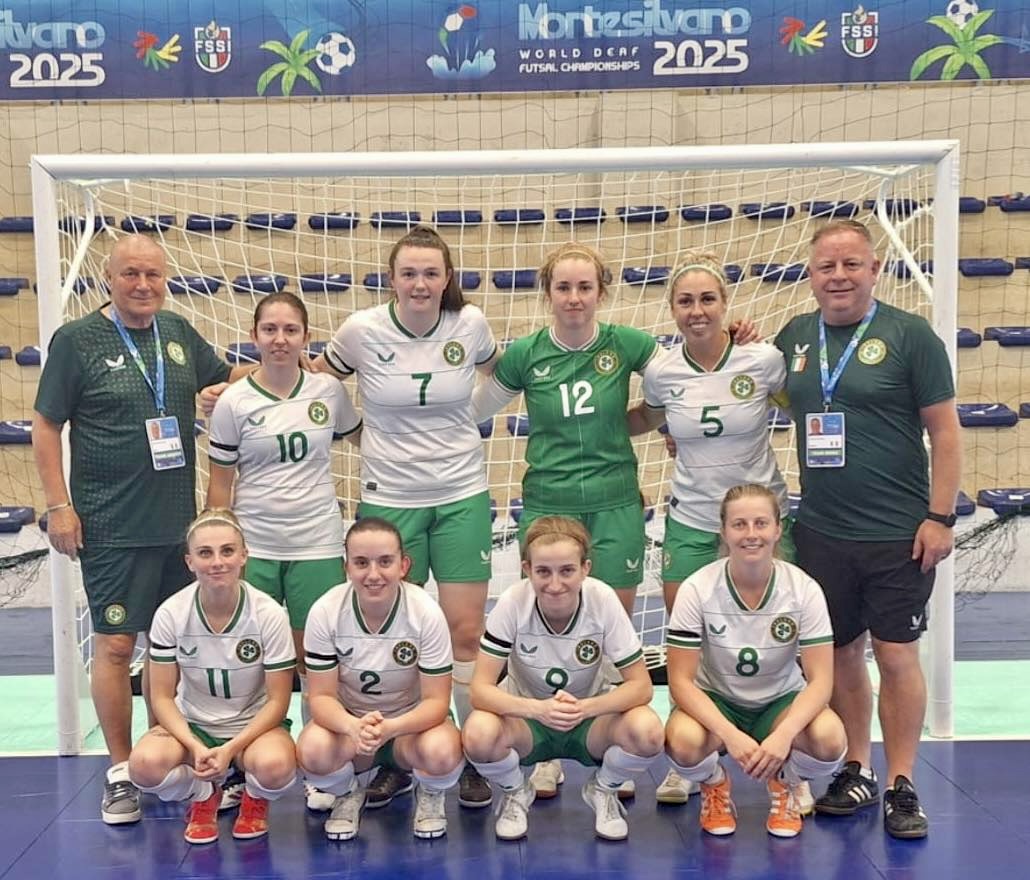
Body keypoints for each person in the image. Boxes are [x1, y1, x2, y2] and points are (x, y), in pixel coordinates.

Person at [32, 234, 248, 825]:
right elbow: (46, 426)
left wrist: (280, 369)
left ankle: (165, 757)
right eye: (131, 273)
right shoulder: (77, 341)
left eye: (153, 274)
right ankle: (122, 770)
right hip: (110, 525)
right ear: (110, 278)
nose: (143, 285)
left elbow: (227, 377)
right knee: (116, 644)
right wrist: (58, 506)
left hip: (179, 528)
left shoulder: (176, 332)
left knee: (169, 646)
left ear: (166, 279)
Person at [773, 219, 961, 839]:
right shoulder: (794, 338)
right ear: (810, 275)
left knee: (897, 653)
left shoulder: (910, 336)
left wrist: (940, 516)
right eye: (827, 266)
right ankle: (857, 766)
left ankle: (902, 782)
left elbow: (946, 431)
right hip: (821, 531)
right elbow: (755, 395)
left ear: (874, 270)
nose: (839, 276)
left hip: (898, 532)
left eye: (851, 264)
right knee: (842, 654)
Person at [308, 224, 499, 808]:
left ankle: (467, 756)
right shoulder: (361, 330)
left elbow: (503, 375)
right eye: (409, 273)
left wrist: (471, 415)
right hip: (389, 498)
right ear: (391, 278)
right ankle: (397, 759)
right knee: (396, 637)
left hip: (461, 493)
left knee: (464, 634)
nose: (420, 283)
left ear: (447, 279)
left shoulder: (470, 324)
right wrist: (235, 385)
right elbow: (312, 382)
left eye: (431, 273)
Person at [471, 243, 660, 800]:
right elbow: (475, 409)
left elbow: (677, 388)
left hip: (615, 498)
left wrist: (640, 421)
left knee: (607, 625)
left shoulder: (628, 343)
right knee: (547, 619)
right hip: (549, 500)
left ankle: (604, 749)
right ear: (547, 293)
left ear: (601, 292)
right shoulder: (526, 354)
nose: (574, 298)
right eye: (563, 287)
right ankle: (545, 751)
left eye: (585, 287)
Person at [627, 252, 794, 805]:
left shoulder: (762, 359)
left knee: (779, 638)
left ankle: (787, 766)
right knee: (687, 644)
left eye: (707, 299)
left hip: (759, 523)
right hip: (693, 521)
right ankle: (690, 762)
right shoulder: (662, 371)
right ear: (672, 309)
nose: (696, 310)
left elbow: (804, 405)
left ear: (725, 304)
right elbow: (649, 417)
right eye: (685, 301)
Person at [206, 292, 361, 812]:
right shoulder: (234, 402)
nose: (279, 339)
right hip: (256, 545)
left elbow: (364, 438)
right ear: (254, 336)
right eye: (269, 329)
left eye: (290, 330)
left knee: (315, 660)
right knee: (251, 662)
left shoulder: (328, 391)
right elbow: (220, 484)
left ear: (306, 337)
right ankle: (241, 765)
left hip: (317, 542)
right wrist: (219, 548)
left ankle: (322, 767)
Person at [462, 516, 664, 841]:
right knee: (478, 733)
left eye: (567, 570)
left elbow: (641, 686)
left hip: (589, 722)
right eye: (543, 571)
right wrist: (538, 709)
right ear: (527, 569)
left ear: (585, 568)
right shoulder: (513, 602)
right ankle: (516, 791)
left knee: (648, 731)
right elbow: (480, 691)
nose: (555, 584)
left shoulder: (602, 599)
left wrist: (585, 708)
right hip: (529, 723)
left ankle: (603, 789)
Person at [664, 484, 846, 839]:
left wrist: (785, 735)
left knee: (829, 740)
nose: (751, 534)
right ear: (723, 531)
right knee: (682, 743)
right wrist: (729, 735)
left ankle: (786, 782)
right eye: (739, 524)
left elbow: (821, 680)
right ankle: (714, 782)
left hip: (779, 702)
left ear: (778, 529)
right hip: (718, 700)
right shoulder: (697, 589)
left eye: (761, 523)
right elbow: (681, 681)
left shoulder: (803, 589)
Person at [127, 509, 297, 844]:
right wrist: (194, 745)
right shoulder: (171, 613)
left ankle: (255, 797)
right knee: (144, 767)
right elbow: (161, 696)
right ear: (189, 561)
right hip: (194, 726)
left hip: (251, 726)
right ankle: (203, 793)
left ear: (244, 556)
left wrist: (231, 748)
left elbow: (279, 701)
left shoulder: (269, 614)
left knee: (275, 767)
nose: (217, 562)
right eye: (205, 553)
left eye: (227, 551)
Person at [296, 517, 464, 841]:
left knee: (443, 750)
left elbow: (437, 702)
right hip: (354, 729)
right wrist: (352, 727)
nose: (373, 574)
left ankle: (430, 793)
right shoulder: (325, 611)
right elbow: (321, 698)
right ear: (346, 567)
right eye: (361, 563)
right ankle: (347, 794)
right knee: (312, 750)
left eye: (385, 561)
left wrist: (391, 728)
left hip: (411, 727)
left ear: (404, 565)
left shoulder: (425, 612)